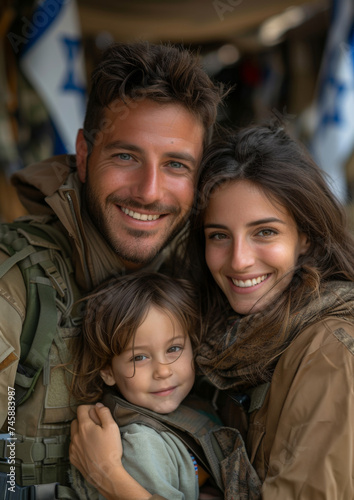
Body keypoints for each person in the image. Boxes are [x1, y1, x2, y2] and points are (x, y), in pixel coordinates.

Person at [70, 122, 354, 500]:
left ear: (304, 237)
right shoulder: (230, 336)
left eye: (264, 232)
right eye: (219, 235)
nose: (238, 261)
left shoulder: (330, 353)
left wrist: (110, 477)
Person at [0, 40, 224, 498]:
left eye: (176, 164)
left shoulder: (214, 271)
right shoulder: (16, 283)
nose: (149, 191)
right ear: (84, 153)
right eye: (126, 157)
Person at [69, 271, 226, 500]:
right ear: (107, 371)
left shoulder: (198, 405)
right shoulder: (142, 444)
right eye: (139, 357)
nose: (163, 370)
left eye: (174, 349)